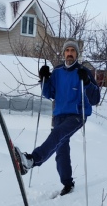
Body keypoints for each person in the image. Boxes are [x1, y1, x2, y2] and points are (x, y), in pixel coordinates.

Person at [15, 40, 100, 196]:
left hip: (77, 115)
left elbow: (95, 99)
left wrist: (87, 83)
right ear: (63, 53)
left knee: (57, 135)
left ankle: (32, 160)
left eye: (72, 50)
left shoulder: (83, 71)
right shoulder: (58, 71)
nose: (69, 53)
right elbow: (49, 94)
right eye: (67, 50)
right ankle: (68, 184)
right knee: (61, 150)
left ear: (77, 54)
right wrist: (44, 79)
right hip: (59, 114)